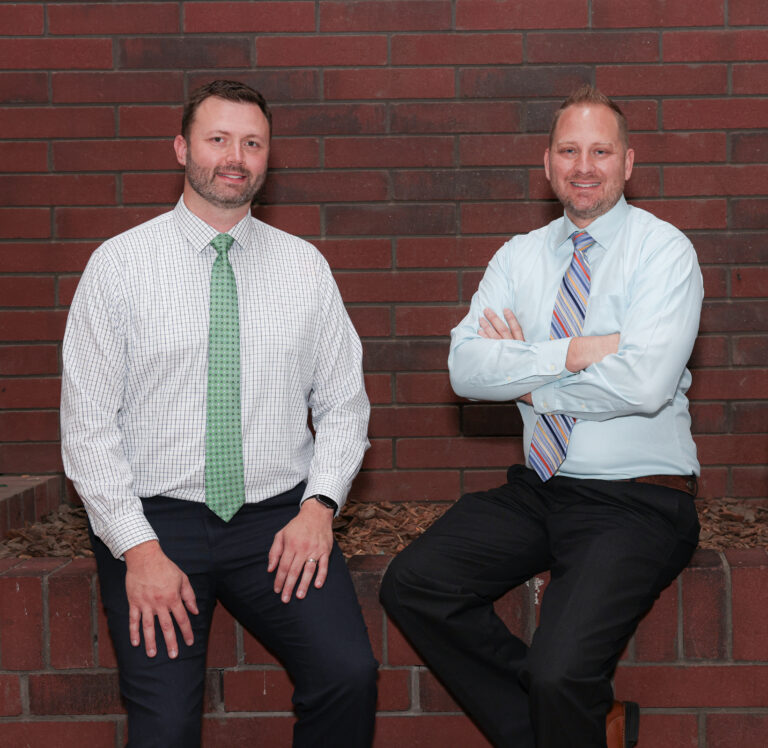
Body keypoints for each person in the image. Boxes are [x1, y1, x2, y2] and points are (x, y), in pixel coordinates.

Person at [380, 85, 702, 748]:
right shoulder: (518, 256)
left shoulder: (664, 253)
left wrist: (526, 378)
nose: (584, 165)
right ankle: (572, 723)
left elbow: (644, 384)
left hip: (638, 499)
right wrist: (577, 352)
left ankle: (567, 708)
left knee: (561, 673)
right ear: (548, 164)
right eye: (569, 151)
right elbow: (467, 371)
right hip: (540, 489)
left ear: (628, 163)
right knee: (414, 585)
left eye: (600, 151)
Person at [61, 80, 377, 748]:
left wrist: (320, 509)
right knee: (167, 726)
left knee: (348, 674)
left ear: (268, 158)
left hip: (276, 517)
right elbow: (86, 429)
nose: (236, 156)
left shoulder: (305, 269)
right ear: (182, 149)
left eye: (253, 143)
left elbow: (345, 406)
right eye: (218, 139)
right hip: (156, 521)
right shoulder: (119, 267)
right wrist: (137, 549)